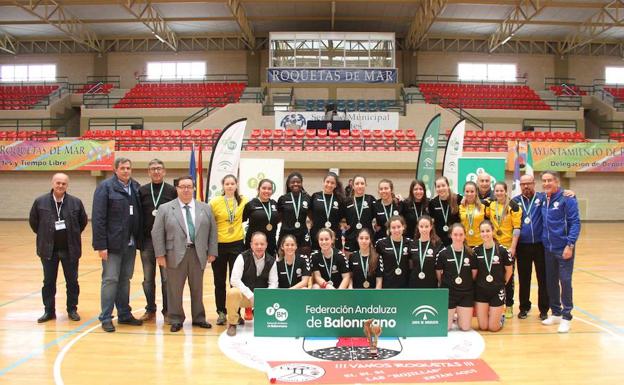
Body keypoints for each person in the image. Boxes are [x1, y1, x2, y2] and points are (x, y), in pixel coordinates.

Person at [152, 175, 218, 333]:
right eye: (183, 186)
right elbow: (157, 232)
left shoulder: (205, 208)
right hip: (173, 254)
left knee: (197, 288)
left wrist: (212, 251)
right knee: (174, 289)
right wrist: (160, 255)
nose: (186, 189)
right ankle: (175, 318)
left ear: (194, 188)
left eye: (189, 186)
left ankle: (199, 318)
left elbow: (213, 231)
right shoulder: (165, 208)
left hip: (198, 253)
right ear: (177, 189)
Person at [92, 157, 144, 332]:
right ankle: (106, 317)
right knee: (110, 280)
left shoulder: (135, 187)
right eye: (122, 168)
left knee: (124, 280)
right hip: (112, 245)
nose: (126, 171)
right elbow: (98, 218)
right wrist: (101, 245)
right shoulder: (105, 188)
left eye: (128, 168)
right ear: (115, 170)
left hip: (130, 243)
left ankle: (124, 314)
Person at [29, 173, 88, 323]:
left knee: (72, 282)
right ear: (52, 183)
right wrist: (45, 235)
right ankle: (49, 311)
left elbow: (82, 222)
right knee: (48, 282)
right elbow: (34, 223)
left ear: (67, 185)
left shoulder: (76, 202)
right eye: (58, 183)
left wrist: (72, 235)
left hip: (70, 250)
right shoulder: (40, 202)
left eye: (63, 183)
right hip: (48, 250)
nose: (60, 186)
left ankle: (72, 309)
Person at [540, 171, 580, 333]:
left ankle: (566, 317)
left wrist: (570, 245)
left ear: (557, 182)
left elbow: (575, 223)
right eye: (544, 181)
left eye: (550, 180)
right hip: (548, 248)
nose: (546, 183)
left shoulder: (567, 198)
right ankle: (555, 312)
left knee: (565, 281)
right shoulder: (542, 198)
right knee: (551, 281)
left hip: (564, 248)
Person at [137, 159, 177, 322]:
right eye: (153, 169)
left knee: (167, 279)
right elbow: (138, 216)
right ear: (148, 172)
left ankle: (167, 310)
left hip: (166, 242)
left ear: (164, 171)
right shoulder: (142, 191)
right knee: (148, 279)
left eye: (159, 168)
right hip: (147, 242)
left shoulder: (171, 191)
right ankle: (150, 309)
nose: (156, 171)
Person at [209, 174, 248, 326]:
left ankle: (236, 313)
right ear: (223, 186)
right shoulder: (215, 202)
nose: (230, 186)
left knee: (236, 282)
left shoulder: (243, 200)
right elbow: (210, 225)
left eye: (232, 183)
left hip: (237, 245)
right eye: (227, 184)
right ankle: (221, 312)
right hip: (219, 246)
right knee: (219, 281)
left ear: (236, 185)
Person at [512, 174, 549, 320]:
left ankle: (544, 309)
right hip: (523, 246)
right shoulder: (514, 202)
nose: (526, 186)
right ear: (520, 186)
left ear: (534, 184)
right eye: (523, 184)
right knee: (524, 279)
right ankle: (524, 307)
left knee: (542, 279)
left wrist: (570, 193)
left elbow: (559, 196)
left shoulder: (542, 198)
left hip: (540, 245)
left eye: (529, 183)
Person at [226, 232, 278, 336]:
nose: (259, 246)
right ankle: (232, 323)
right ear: (251, 245)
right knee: (232, 292)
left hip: (262, 299)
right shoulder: (242, 257)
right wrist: (250, 295)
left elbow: (274, 284)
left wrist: (262, 297)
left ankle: (259, 313)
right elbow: (234, 280)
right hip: (245, 297)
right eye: (256, 244)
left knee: (274, 292)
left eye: (262, 244)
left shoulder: (272, 261)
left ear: (266, 245)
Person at [485, 182, 521, 319]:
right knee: (494, 276)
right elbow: (478, 202)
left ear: (506, 191)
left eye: (501, 190)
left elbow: (517, 228)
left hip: (508, 247)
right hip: (495, 247)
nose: (499, 193)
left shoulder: (514, 206)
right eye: (497, 191)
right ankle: (494, 304)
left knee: (509, 277)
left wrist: (513, 247)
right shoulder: (491, 205)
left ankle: (510, 305)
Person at [435, 223, 477, 331]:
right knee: (446, 328)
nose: (458, 237)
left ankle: (459, 316)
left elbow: (474, 274)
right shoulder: (443, 253)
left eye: (461, 234)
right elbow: (439, 274)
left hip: (466, 293)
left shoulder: (471, 254)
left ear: (465, 236)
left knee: (465, 328)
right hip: (449, 294)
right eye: (455, 234)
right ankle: (452, 315)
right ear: (451, 235)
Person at [474, 221, 513, 332]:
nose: (485, 234)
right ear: (479, 233)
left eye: (488, 231)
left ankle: (501, 318)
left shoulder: (502, 251)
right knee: (483, 327)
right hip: (481, 291)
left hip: (496, 291)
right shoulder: (476, 251)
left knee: (493, 328)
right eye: (482, 231)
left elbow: (509, 271)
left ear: (492, 231)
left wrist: (501, 284)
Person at [277, 172, 311, 255]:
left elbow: (311, 216)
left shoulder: (307, 198)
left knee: (303, 260)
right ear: (288, 184)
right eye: (293, 182)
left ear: (301, 183)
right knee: (284, 260)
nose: (295, 184)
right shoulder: (283, 199)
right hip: (286, 233)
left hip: (302, 234)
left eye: (298, 182)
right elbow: (279, 218)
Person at [309, 172, 346, 250]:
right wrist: (313, 221)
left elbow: (341, 216)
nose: (329, 185)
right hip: (316, 233)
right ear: (324, 182)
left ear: (335, 185)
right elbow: (310, 212)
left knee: (334, 258)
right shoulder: (315, 196)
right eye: (327, 182)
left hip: (334, 234)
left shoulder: (339, 199)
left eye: (332, 183)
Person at [375, 215, 414, 288]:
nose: (396, 230)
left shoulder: (410, 243)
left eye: (399, 227)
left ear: (403, 227)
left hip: (406, 285)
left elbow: (412, 264)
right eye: (393, 228)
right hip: (387, 284)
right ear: (389, 229)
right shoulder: (380, 243)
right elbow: (377, 265)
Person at [244, 179, 279, 256]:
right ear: (258, 189)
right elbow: (242, 220)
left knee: (269, 266)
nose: (266, 191)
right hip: (254, 244)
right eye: (264, 188)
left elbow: (278, 219)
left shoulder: (275, 204)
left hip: (270, 243)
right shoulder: (250, 204)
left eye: (269, 189)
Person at [343, 175, 377, 255]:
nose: (360, 186)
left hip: (367, 238)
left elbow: (379, 212)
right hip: (351, 238)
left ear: (365, 185)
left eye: (362, 183)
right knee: (351, 264)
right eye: (357, 183)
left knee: (368, 264)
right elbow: (339, 216)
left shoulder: (370, 199)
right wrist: (343, 224)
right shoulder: (347, 201)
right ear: (353, 186)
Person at [409, 215, 441, 288]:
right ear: (418, 227)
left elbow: (439, 267)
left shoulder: (437, 244)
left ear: (431, 227)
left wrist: (440, 282)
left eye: (426, 226)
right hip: (414, 283)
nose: (424, 229)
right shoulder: (412, 244)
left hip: (431, 283)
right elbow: (410, 265)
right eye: (421, 226)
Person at [429, 176, 462, 246]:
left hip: (456, 238)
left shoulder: (458, 199)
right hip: (439, 240)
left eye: (443, 185)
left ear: (448, 186)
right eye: (438, 186)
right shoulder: (433, 203)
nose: (441, 188)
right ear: (435, 188)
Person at [459, 181, 487, 248]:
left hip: (480, 243)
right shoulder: (460, 206)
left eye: (472, 191)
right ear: (464, 192)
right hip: (464, 242)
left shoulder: (483, 206)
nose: (469, 194)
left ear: (476, 192)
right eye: (467, 191)